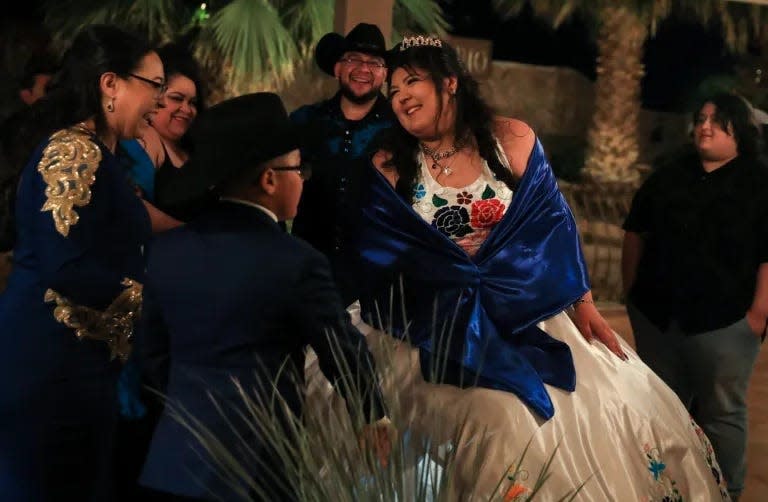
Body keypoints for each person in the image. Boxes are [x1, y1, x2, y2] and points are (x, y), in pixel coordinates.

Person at [353, 35, 730, 500]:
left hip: (525, 307)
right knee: (494, 421)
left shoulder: (510, 138)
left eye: (412, 81)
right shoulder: (388, 164)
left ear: (449, 83)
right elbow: (381, 252)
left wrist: (584, 303)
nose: (401, 97)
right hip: (435, 319)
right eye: (392, 91)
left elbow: (554, 224)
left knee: (611, 402)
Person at [138, 92, 389, 501]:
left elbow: (153, 357)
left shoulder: (167, 251)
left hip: (172, 464)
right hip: (257, 470)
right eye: (299, 168)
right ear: (269, 180)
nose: (304, 178)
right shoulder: (296, 262)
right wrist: (372, 414)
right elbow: (340, 350)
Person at [0, 24, 164, 500]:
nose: (159, 98)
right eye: (153, 85)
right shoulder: (73, 150)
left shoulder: (109, 155)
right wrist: (152, 298)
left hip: (81, 367)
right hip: (47, 368)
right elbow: (64, 267)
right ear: (110, 83)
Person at [622, 92, 767, 500]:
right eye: (701, 118)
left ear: (740, 131)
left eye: (718, 121)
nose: (706, 126)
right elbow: (636, 231)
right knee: (657, 409)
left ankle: (725, 492)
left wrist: (756, 317)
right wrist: (632, 293)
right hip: (657, 317)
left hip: (724, 323)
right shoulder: (668, 175)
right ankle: (658, 487)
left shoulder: (759, 184)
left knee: (722, 414)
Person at [290, 22, 394, 306]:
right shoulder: (303, 121)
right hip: (305, 274)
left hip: (376, 282)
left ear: (385, 74)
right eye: (353, 59)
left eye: (374, 62)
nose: (363, 69)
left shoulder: (402, 132)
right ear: (337, 68)